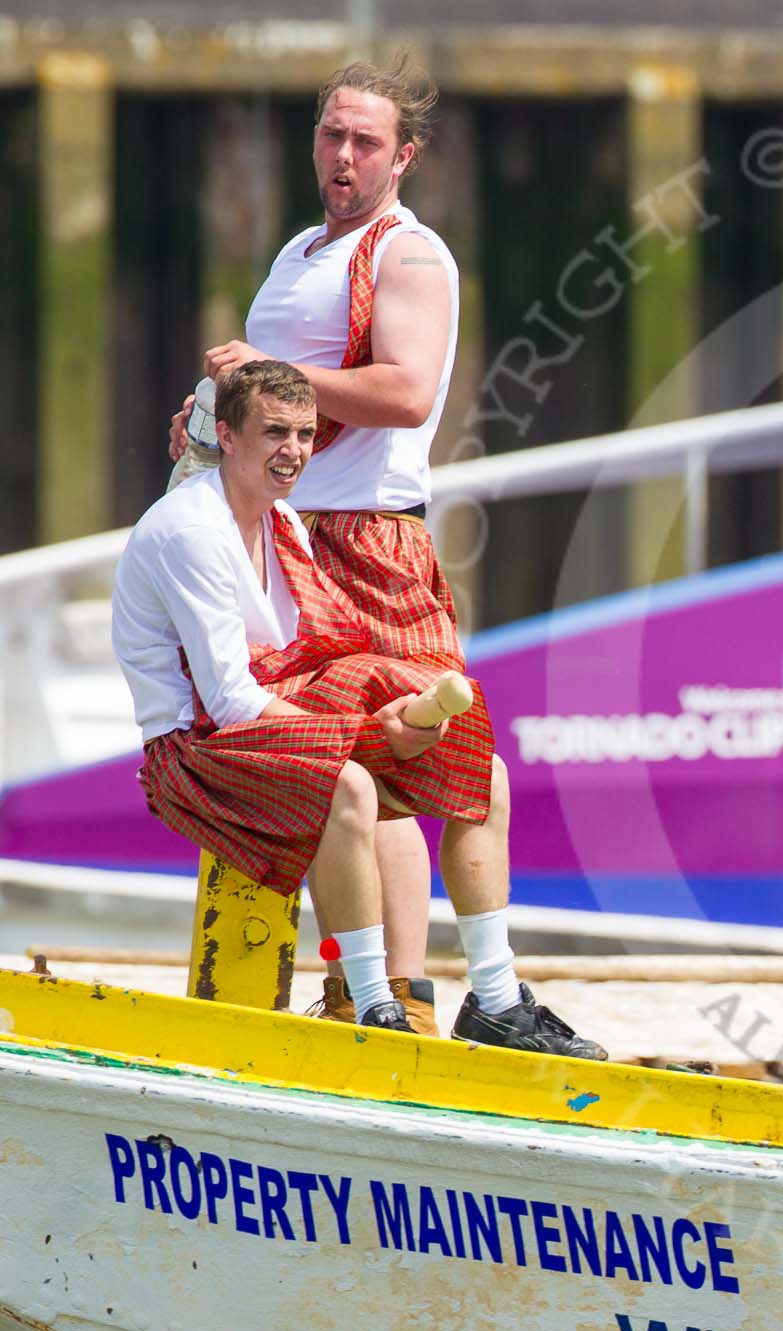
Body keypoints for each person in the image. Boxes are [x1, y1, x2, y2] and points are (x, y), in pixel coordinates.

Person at [120, 361, 603, 1058]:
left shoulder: (281, 519)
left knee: (479, 765)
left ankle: (496, 1000)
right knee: (345, 783)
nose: (292, 450)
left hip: (273, 713)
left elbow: (306, 661)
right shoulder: (191, 531)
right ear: (226, 436)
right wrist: (357, 732)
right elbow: (226, 703)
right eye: (274, 432)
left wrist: (399, 713)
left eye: (306, 434)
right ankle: (375, 1006)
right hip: (190, 748)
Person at [167, 54, 462, 1028]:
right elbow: (271, 389)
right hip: (279, 534)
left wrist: (271, 370)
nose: (343, 155)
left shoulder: (408, 254)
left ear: (401, 155)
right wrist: (214, 418)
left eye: (365, 141)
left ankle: (394, 1004)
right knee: (285, 767)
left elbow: (406, 391)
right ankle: (283, 991)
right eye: (331, 136)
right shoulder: (299, 250)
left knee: (383, 778)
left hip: (364, 541)